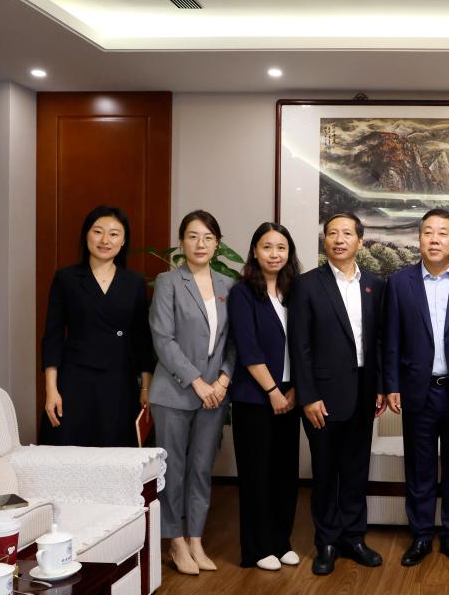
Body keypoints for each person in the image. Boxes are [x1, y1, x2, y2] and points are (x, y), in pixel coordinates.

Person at [383, 209, 449, 567]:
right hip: (418, 390)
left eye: (442, 233)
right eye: (428, 232)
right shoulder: (399, 282)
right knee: (420, 468)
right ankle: (420, 536)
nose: (434, 239)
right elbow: (391, 339)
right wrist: (392, 384)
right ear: (419, 239)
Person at [288, 212, 386, 575]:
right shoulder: (307, 285)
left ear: (360, 240)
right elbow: (300, 345)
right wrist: (308, 396)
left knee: (356, 469)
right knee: (326, 471)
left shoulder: (375, 285)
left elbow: (378, 341)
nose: (339, 239)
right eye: (332, 233)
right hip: (323, 397)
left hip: (364, 391)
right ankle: (327, 541)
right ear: (324, 240)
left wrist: (379, 387)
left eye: (347, 233)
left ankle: (354, 537)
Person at [149, 210, 236, 575]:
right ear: (181, 242)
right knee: (174, 470)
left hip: (215, 395)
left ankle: (196, 539)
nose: (201, 244)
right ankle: (175, 541)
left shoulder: (228, 285)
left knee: (201, 470)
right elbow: (163, 339)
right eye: (193, 236)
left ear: (218, 244)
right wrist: (198, 382)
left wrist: (223, 380)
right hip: (175, 392)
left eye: (208, 237)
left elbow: (234, 341)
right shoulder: (168, 281)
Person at [41, 205, 153, 447]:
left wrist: (146, 387)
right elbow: (53, 337)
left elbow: (141, 339)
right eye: (98, 231)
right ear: (86, 235)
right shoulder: (66, 278)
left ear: (123, 241)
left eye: (114, 234)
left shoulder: (134, 282)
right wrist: (51, 389)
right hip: (75, 380)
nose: (105, 240)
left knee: (115, 453)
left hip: (118, 380)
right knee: (69, 452)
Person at [228, 222, 303, 571]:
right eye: (267, 247)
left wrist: (295, 389)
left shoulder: (295, 292)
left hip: (291, 395)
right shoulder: (243, 293)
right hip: (255, 398)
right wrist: (273, 391)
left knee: (285, 474)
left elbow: (304, 343)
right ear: (255, 252)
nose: (274, 254)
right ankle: (257, 549)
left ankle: (280, 541)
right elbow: (248, 347)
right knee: (256, 475)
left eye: (281, 248)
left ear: (289, 253)